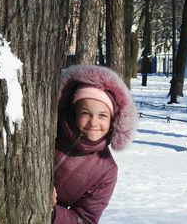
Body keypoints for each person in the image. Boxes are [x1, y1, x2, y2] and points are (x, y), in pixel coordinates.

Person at [52, 65, 137, 224]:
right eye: (85, 113)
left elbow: (86, 219)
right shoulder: (51, 132)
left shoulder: (106, 170)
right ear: (74, 112)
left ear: (113, 120)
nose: (94, 122)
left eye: (103, 115)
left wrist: (52, 212)